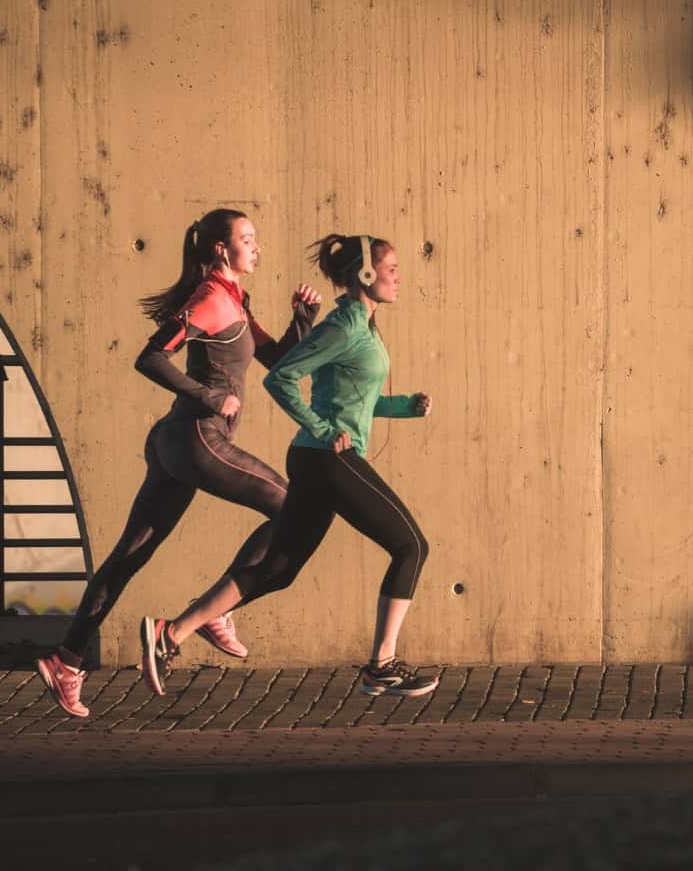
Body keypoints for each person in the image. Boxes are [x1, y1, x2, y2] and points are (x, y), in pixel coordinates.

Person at [34, 209, 322, 717]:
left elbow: (278, 360)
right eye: (247, 240)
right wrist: (210, 399)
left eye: (256, 239)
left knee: (130, 555)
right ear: (220, 249)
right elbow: (150, 357)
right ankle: (216, 612)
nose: (257, 248)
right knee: (294, 506)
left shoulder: (233, 298)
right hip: (197, 437)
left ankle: (66, 660)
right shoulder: (211, 300)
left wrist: (302, 320)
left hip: (176, 443)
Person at [141, 234, 438, 698]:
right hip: (327, 458)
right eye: (391, 268)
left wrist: (403, 407)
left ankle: (170, 634)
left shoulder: (362, 324)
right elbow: (281, 378)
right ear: (365, 274)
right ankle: (381, 664)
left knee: (278, 569)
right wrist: (322, 429)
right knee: (411, 546)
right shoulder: (343, 326)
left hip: (319, 457)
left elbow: (351, 401)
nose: (398, 277)